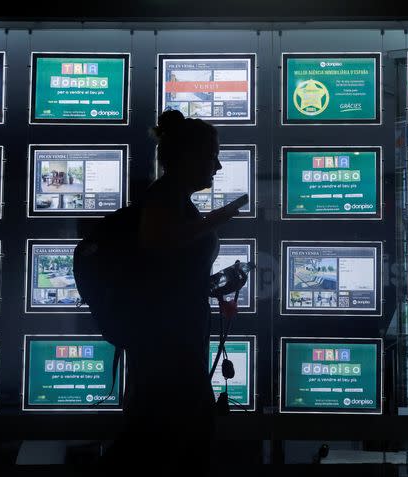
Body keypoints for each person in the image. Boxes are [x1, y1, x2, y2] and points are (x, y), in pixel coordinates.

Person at [103, 109, 245, 473]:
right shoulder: (164, 196)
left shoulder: (175, 199)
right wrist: (220, 216)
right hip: (167, 347)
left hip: (174, 343)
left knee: (174, 437)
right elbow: (157, 242)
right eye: (212, 155)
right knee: (169, 441)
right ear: (188, 157)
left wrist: (215, 283)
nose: (217, 166)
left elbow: (171, 271)